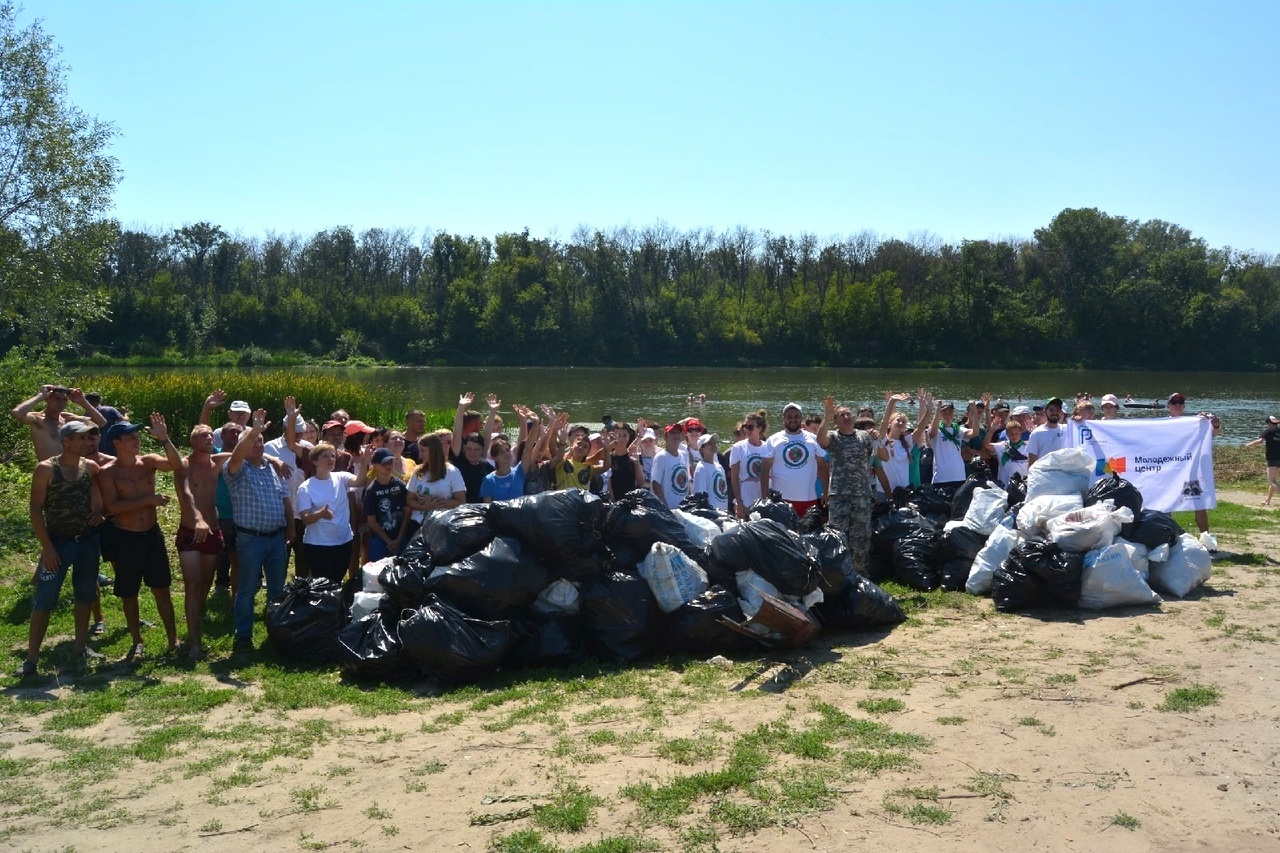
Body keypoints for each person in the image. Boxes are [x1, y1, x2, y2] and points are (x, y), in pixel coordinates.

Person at [18, 421, 106, 676]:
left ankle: (80, 647)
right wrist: (47, 548)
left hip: (87, 542)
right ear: (66, 441)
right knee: (44, 600)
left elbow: (101, 500)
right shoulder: (46, 469)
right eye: (81, 438)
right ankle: (31, 660)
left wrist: (102, 515)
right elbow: (35, 509)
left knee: (85, 595)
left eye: (89, 439)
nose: (87, 443)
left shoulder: (91, 467)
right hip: (57, 543)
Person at [97, 416, 180, 660]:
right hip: (126, 538)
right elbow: (111, 507)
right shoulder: (107, 473)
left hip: (152, 536)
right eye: (131, 437)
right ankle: (136, 640)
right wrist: (148, 500)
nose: (137, 440)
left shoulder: (148, 462)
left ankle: (173, 639)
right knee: (129, 593)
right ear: (117, 443)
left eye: (137, 436)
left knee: (161, 588)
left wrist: (164, 438)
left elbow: (176, 464)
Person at [224, 408, 294, 653]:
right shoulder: (236, 470)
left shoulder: (273, 468)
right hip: (250, 539)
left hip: (276, 539)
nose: (257, 445)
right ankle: (243, 636)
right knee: (246, 589)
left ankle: (275, 632)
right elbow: (237, 454)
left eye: (261, 441)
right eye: (253, 441)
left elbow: (286, 500)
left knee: (277, 589)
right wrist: (253, 431)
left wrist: (291, 528)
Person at [160, 420, 225, 661]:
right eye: (204, 436)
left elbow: (242, 452)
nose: (210, 439)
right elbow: (186, 494)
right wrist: (198, 518)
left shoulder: (217, 462)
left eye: (211, 436)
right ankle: (194, 644)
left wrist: (274, 459)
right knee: (193, 585)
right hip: (191, 532)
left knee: (205, 584)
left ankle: (196, 620)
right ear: (193, 441)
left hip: (214, 532)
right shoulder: (185, 465)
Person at [818, 397, 886, 577]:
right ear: (836, 421)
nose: (846, 417)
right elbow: (821, 440)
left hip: (861, 495)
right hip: (839, 495)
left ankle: (860, 577)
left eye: (848, 413)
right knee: (837, 537)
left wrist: (879, 439)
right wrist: (827, 414)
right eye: (841, 415)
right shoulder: (833, 437)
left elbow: (883, 456)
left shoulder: (863, 437)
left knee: (861, 539)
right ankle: (838, 576)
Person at [295, 442, 370, 583]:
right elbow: (305, 518)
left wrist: (365, 463)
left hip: (343, 541)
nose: (331, 460)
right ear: (315, 461)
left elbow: (359, 481)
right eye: (325, 456)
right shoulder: (306, 487)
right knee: (322, 584)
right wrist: (320, 514)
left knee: (337, 581)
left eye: (333, 456)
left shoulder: (341, 478)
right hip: (318, 545)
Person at [1165, 392, 1221, 534]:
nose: (1177, 405)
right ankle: (1167, 537)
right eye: (1174, 403)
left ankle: (1205, 537)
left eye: (1180, 403)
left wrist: (1214, 424)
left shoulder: (1194, 422)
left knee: (1198, 502)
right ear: (1168, 406)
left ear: (1183, 406)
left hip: (1189, 470)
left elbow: (1213, 434)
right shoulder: (1161, 424)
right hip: (1169, 470)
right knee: (1166, 504)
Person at [760, 403, 825, 519]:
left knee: (807, 535)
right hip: (781, 500)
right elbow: (764, 471)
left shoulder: (813, 439)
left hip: (808, 498)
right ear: (783, 419)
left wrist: (826, 490)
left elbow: (823, 466)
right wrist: (764, 497)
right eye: (789, 417)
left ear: (801, 418)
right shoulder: (773, 440)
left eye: (796, 416)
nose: (793, 420)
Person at [11, 384, 107, 461]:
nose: (61, 403)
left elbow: (101, 422)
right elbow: (17, 413)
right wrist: (40, 395)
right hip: (50, 472)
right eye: (57, 399)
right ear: (47, 399)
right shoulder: (38, 419)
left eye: (64, 400)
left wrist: (83, 401)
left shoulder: (67, 418)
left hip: (72, 470)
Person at [405, 433, 466, 539]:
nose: (420, 455)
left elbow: (461, 501)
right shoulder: (418, 471)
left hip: (442, 525)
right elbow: (410, 499)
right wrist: (423, 507)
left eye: (423, 451)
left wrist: (437, 503)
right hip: (417, 524)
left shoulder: (452, 472)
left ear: (433, 450)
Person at [365, 448, 411, 559]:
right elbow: (371, 521)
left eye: (390, 462)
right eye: (384, 464)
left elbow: (407, 512)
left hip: (400, 536)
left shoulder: (400, 485)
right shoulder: (371, 490)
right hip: (380, 539)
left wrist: (399, 539)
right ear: (375, 465)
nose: (388, 466)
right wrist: (388, 541)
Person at [927, 399, 969, 485]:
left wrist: (974, 411)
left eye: (950, 412)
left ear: (953, 413)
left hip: (959, 475)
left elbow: (975, 433)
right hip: (941, 478)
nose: (947, 415)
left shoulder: (959, 430)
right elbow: (932, 433)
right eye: (944, 413)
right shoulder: (936, 430)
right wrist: (937, 409)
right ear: (939, 414)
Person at [981, 413, 1029, 486]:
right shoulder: (1002, 446)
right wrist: (992, 430)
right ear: (1006, 434)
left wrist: (1033, 432)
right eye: (1011, 433)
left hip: (1022, 485)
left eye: (1016, 433)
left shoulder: (1027, 446)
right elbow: (986, 445)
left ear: (1021, 433)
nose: (1014, 436)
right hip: (1004, 485)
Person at [650, 423, 691, 509]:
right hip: (669, 508)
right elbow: (655, 484)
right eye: (672, 433)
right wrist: (665, 507)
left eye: (678, 433)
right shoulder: (661, 457)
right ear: (665, 437)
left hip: (684, 508)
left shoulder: (684, 455)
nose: (676, 435)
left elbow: (687, 480)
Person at [1244, 416, 1280, 506]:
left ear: (1268, 423)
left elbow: (1260, 441)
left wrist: (1249, 445)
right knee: (1274, 480)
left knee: (1272, 481)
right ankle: (1268, 500)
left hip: (1272, 459)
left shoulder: (1268, 431)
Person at [691, 433, 729, 511]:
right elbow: (701, 497)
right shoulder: (701, 468)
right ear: (702, 449)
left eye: (714, 443)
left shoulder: (719, 467)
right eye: (709, 444)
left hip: (724, 513)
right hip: (712, 514)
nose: (713, 445)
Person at [1026, 397, 1068, 466]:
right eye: (1051, 410)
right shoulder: (1037, 433)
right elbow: (1031, 461)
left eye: (1057, 410)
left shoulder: (1066, 429)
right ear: (1045, 411)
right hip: (1043, 475)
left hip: (1063, 474)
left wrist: (1078, 420)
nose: (1054, 412)